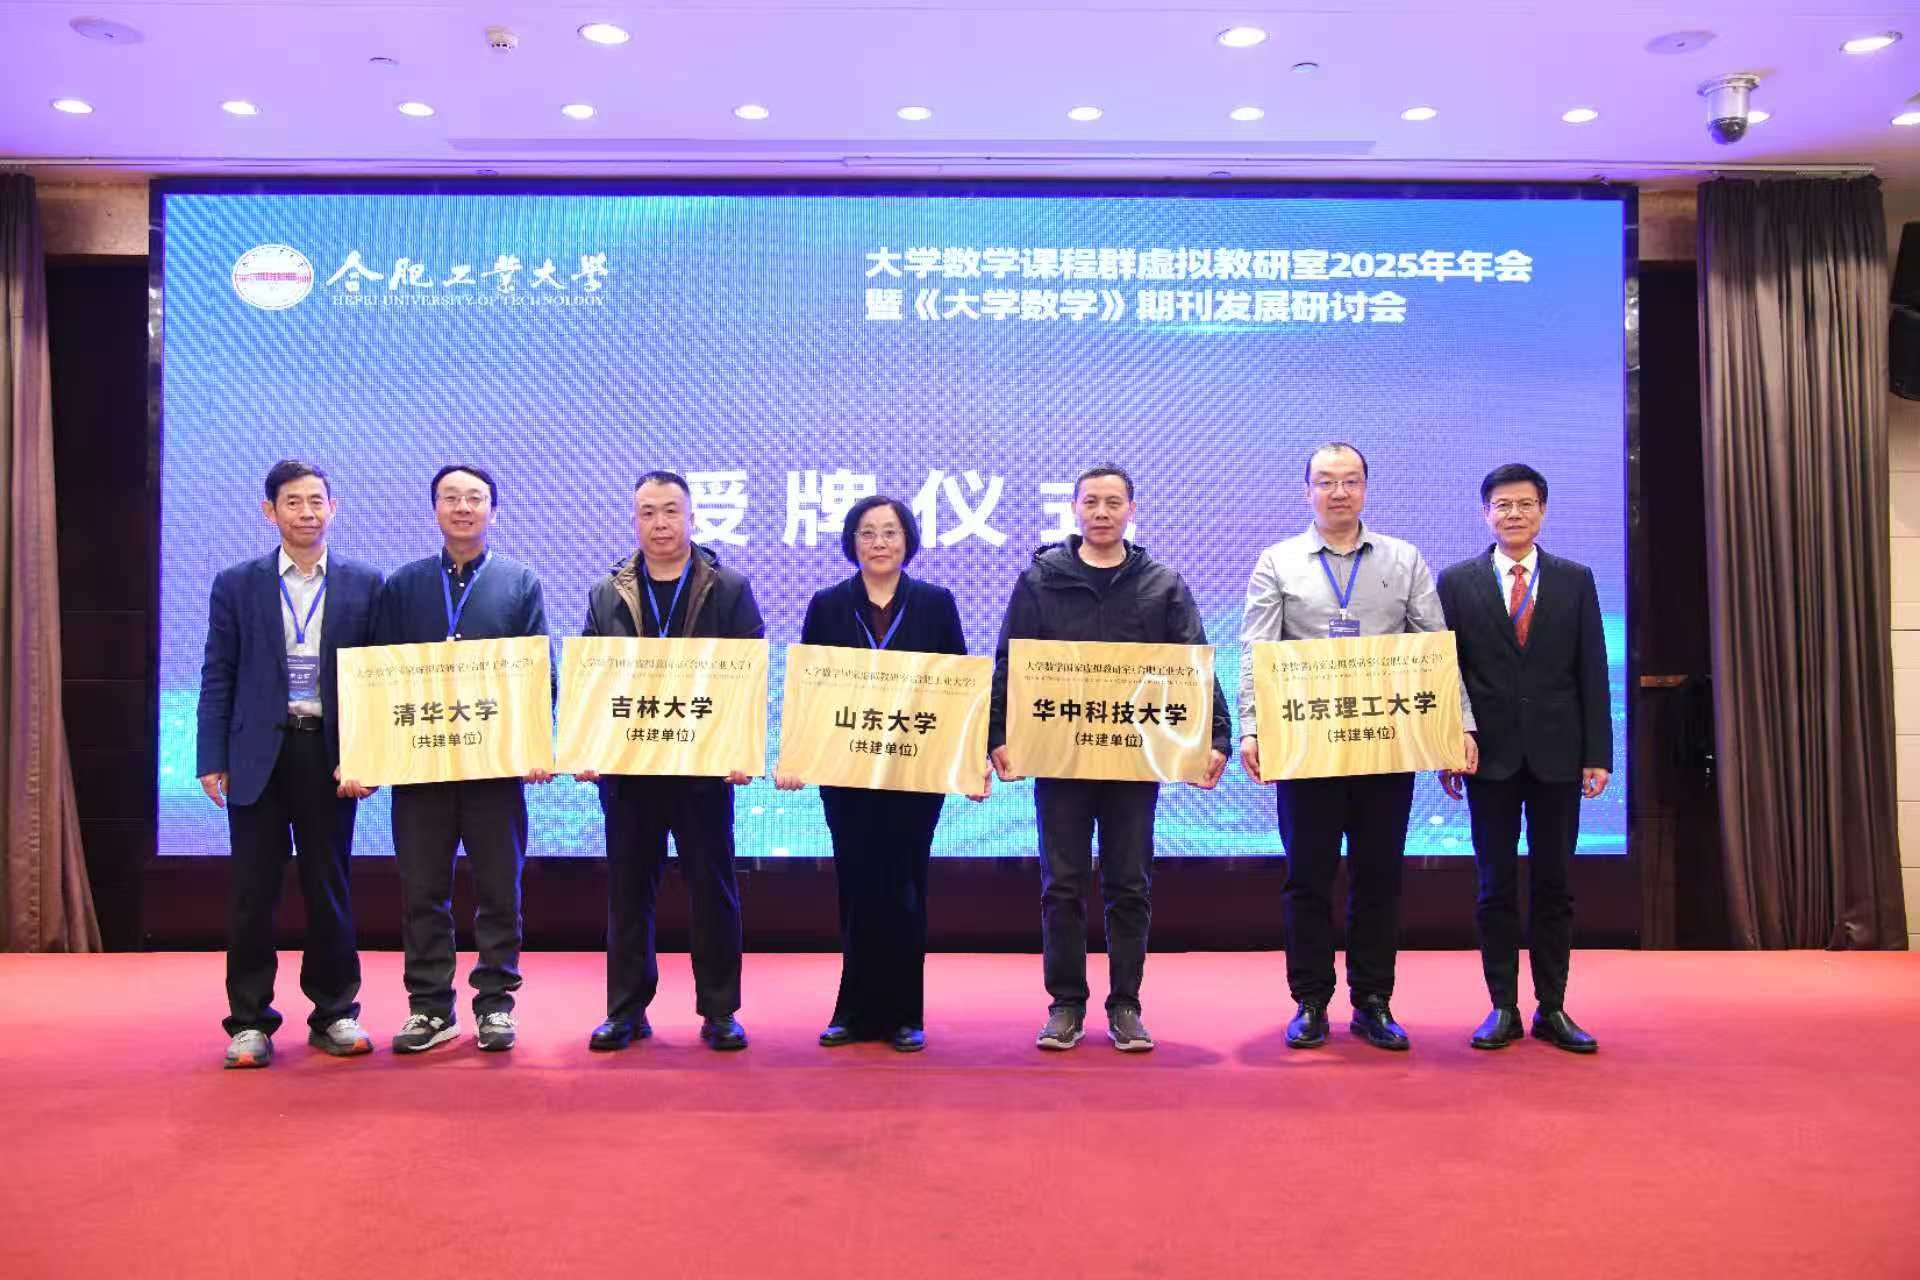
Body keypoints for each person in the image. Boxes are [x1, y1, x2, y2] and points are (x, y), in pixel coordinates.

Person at [1238, 442, 1478, 1052]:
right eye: (1325, 481)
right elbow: (1255, 652)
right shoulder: (1278, 561)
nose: (1338, 492)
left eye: (1349, 481)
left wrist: (1458, 727)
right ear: (1308, 491)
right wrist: (1251, 728)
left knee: (1379, 876)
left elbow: (1435, 647)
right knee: (1307, 877)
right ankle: (1310, 1001)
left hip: (1384, 746)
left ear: (1366, 489)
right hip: (1307, 747)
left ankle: (1373, 1001)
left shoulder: (1403, 558)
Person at [990, 466, 1231, 1053]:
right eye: (1091, 502)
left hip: (1133, 757)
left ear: (1131, 510)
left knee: (1129, 884)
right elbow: (1009, 662)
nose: (1102, 512)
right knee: (1062, 885)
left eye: (1113, 502)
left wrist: (1217, 736)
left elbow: (1194, 662)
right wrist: (996, 733)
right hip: (1060, 756)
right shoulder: (1041, 581)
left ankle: (1126, 1004)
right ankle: (1065, 1004)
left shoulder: (1162, 584)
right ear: (1074, 509)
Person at [775, 495, 982, 1053]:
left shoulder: (936, 603)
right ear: (852, 542)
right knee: (857, 885)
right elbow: (808, 689)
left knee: (907, 885)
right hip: (847, 772)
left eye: (890, 532)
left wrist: (968, 762)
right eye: (867, 533)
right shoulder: (827, 605)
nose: (879, 543)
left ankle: (904, 1014)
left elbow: (959, 689)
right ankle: (853, 1012)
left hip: (916, 772)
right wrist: (795, 756)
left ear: (908, 539)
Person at [197, 460, 384, 1069]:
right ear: (269, 511)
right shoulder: (237, 583)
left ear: (334, 508)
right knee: (252, 894)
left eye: (316, 501)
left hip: (328, 755)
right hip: (256, 755)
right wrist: (211, 756)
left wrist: (369, 754)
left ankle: (335, 1012)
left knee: (329, 887)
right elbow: (219, 671)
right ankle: (250, 1021)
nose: (307, 512)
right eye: (293, 502)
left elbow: (378, 680)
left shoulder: (365, 583)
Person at [364, 464, 551, 1054]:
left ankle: (495, 1005)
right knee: (422, 891)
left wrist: (535, 746)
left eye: (475, 497)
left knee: (499, 891)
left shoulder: (519, 583)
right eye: (451, 497)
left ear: (492, 509)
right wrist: (371, 752)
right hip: (422, 766)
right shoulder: (403, 585)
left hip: (494, 767)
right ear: (435, 509)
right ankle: (429, 1008)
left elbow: (538, 674)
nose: (463, 507)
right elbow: (378, 675)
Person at [580, 472, 763, 1053]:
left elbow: (749, 677)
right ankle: (626, 1009)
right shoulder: (608, 591)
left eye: (670, 511)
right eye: (647, 512)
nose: (659, 523)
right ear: (635, 520)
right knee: (628, 892)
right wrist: (585, 746)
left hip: (703, 768)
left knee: (713, 888)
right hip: (630, 768)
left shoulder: (728, 588)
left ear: (691, 517)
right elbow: (590, 679)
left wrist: (744, 749)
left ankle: (719, 1011)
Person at [1436, 463, 1611, 1054]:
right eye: (1503, 505)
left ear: (1542, 511)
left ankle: (1553, 1007)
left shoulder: (1575, 579)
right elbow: (1446, 672)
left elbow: (1591, 669)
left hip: (1560, 755)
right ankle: (1503, 1007)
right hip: (1488, 758)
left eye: (1525, 504)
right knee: (1495, 885)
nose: (1514, 514)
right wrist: (1448, 746)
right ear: (1486, 513)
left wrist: (1597, 753)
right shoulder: (1457, 582)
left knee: (1555, 884)